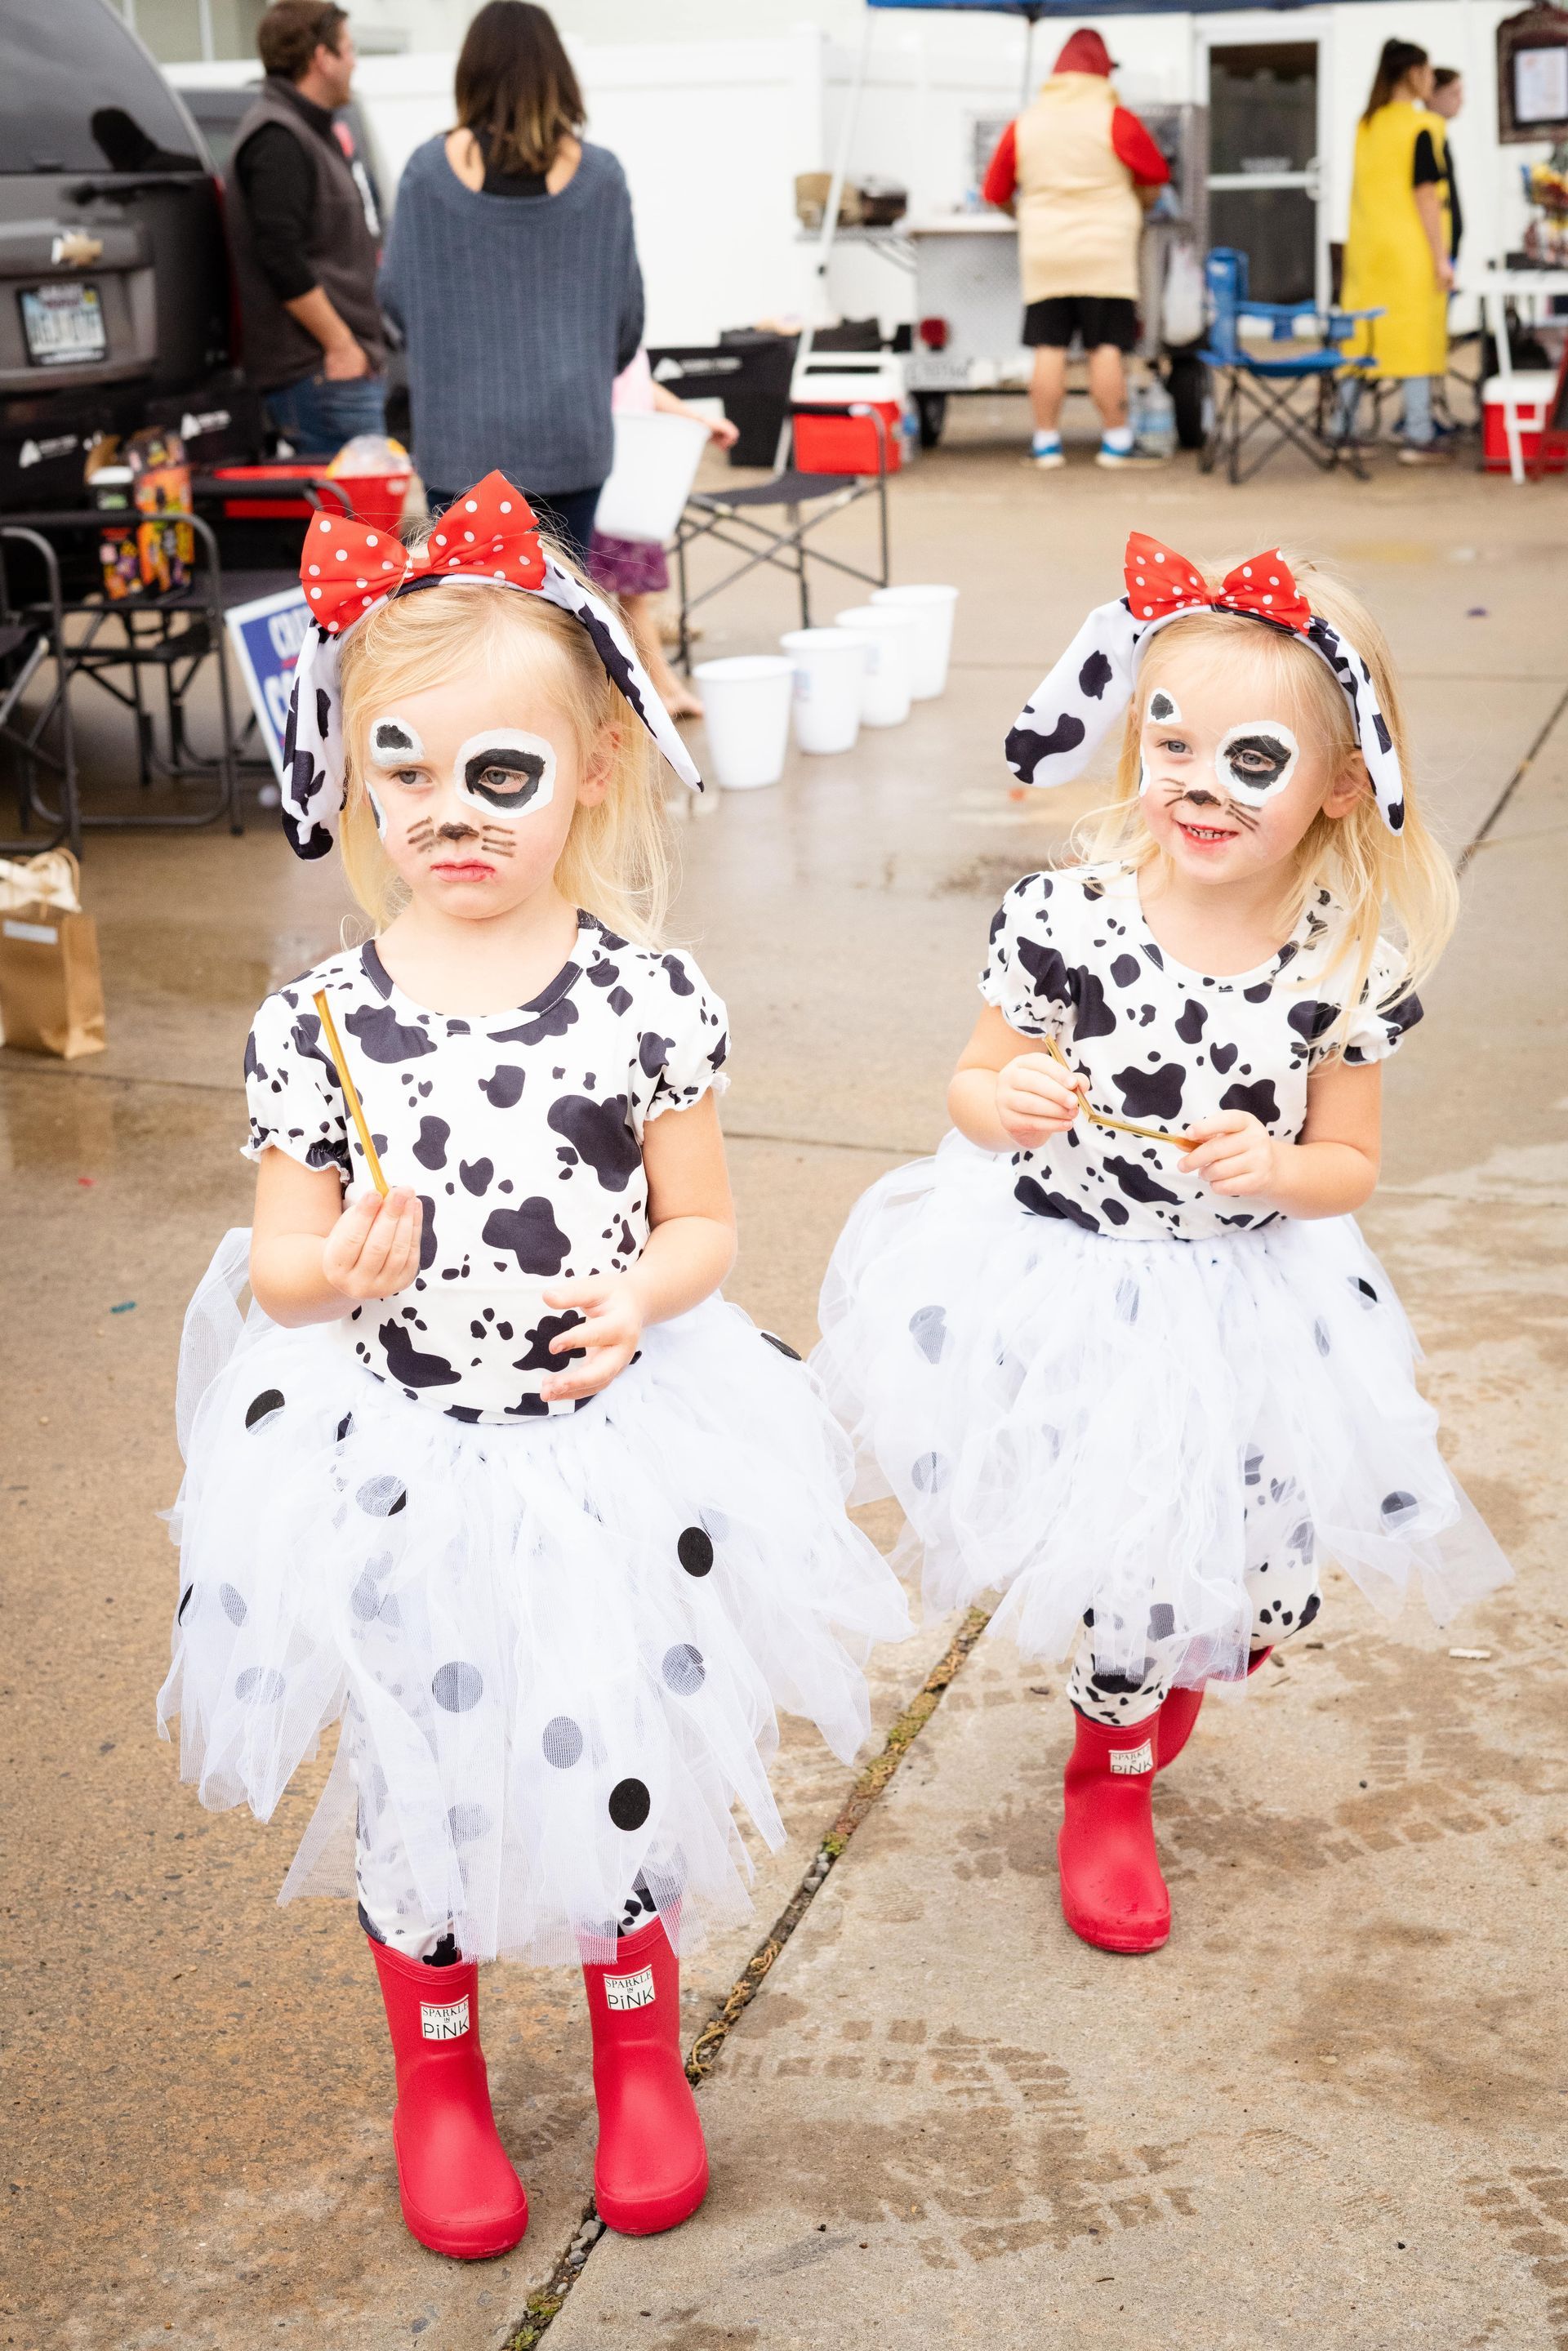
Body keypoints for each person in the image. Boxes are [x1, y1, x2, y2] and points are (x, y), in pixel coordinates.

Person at [155, 472, 909, 2255]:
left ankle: (639, 2053)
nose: (448, 810)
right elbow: (280, 1266)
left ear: (593, 770)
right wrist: (330, 1270)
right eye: (401, 767)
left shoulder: (646, 999)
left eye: (499, 770)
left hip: (606, 1453)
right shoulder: (321, 1024)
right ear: (354, 779)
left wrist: (645, 1296)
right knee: (421, 1760)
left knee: (616, 1737)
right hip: (401, 1461)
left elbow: (703, 1222)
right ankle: (438, 2077)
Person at [814, 530, 1509, 1957]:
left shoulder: (1341, 959)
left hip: (1248, 1301)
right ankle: (1108, 1778)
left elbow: (1351, 1161)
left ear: (1339, 786)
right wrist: (1005, 1098)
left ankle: (1178, 1670)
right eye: (1169, 740)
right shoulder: (1067, 918)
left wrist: (1283, 1165)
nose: (1196, 782)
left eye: (1250, 758)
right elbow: (973, 1078)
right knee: (1128, 1571)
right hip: (1069, 1281)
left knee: (1250, 1587)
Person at [379, 2, 643, 559]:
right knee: (563, 604)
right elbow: (626, 324)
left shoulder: (426, 174)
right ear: (558, 73)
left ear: (470, 74)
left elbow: (396, 301)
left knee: (470, 607)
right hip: (571, 439)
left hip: (460, 447)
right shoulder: (602, 179)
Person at [981, 29, 1170, 471]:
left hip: (1045, 250)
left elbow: (995, 191)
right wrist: (1140, 204)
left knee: (1048, 346)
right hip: (1106, 251)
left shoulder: (1026, 122)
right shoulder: (1116, 119)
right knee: (1106, 347)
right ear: (1102, 70)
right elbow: (1155, 176)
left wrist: (1024, 214)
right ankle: (1116, 442)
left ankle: (1046, 444)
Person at [225, 2, 387, 457]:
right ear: (321, 58)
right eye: (348, 49)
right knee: (354, 507)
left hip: (334, 375)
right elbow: (280, 256)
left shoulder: (310, 130)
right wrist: (341, 345)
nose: (354, 62)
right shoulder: (278, 137)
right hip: (322, 376)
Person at [588, 351, 737, 722]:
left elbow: (639, 384)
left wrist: (698, 421)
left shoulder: (622, 336)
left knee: (631, 594)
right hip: (602, 475)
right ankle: (658, 691)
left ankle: (662, 689)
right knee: (599, 595)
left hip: (631, 476)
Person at [1339, 41, 1453, 465]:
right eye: (1429, 71)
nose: (1432, 79)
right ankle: (1418, 434)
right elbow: (1426, 195)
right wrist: (1441, 257)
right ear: (1413, 74)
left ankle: (1343, 427)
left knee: (1361, 339)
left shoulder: (1366, 125)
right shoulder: (1423, 126)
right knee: (1415, 339)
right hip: (1410, 252)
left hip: (1367, 253)